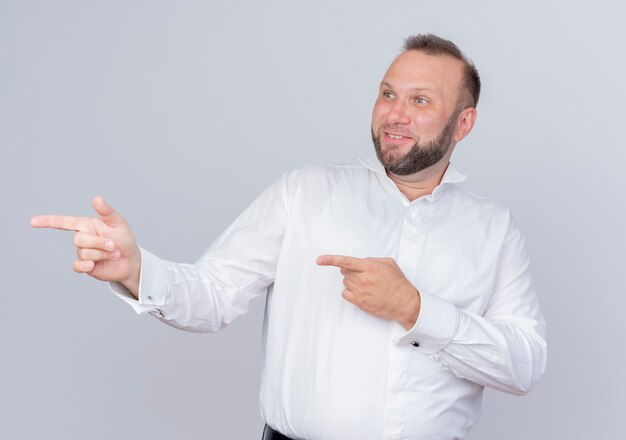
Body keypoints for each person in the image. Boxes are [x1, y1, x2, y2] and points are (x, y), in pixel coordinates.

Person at [31, 34, 547, 440]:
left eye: (419, 101)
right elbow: (212, 295)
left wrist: (416, 309)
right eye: (388, 93)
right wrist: (136, 269)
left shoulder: (493, 230)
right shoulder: (307, 191)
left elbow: (523, 364)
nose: (395, 113)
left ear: (463, 123)